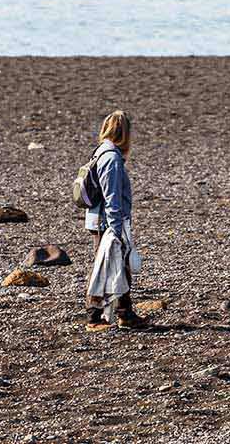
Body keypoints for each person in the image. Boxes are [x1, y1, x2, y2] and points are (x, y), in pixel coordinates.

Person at [83, 110, 150, 330]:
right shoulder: (111, 158)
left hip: (102, 221)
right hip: (107, 223)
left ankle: (125, 314)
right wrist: (117, 229)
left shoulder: (102, 152)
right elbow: (112, 196)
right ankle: (94, 318)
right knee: (105, 267)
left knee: (119, 267)